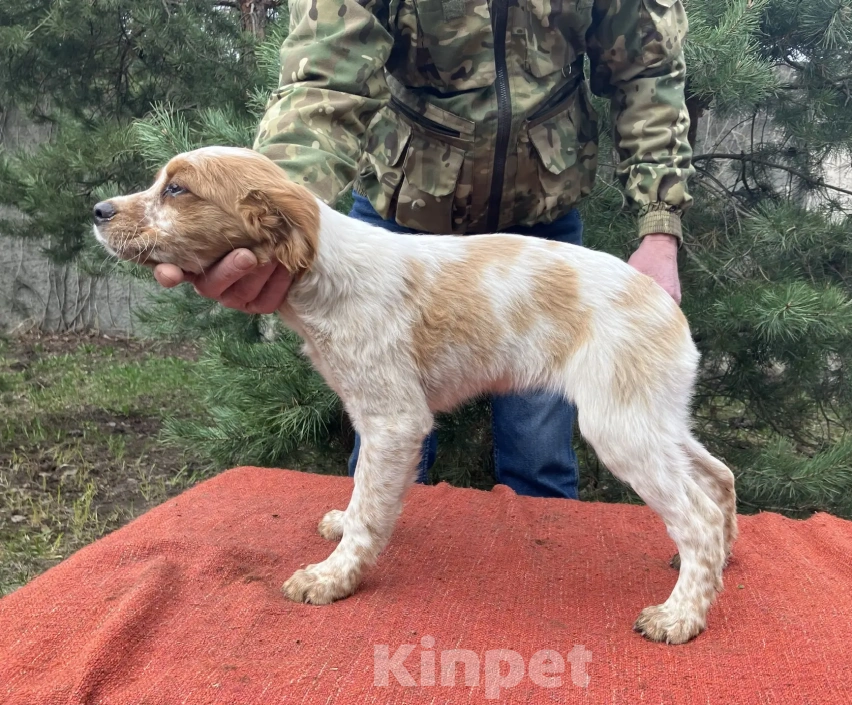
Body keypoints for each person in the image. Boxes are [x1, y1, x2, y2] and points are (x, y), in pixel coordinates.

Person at [153, 0, 694, 500]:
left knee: (539, 458)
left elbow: (648, 69)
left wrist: (660, 226)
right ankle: (374, 545)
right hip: (399, 223)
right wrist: (268, 219)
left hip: (541, 229)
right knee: (383, 426)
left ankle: (543, 564)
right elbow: (324, 78)